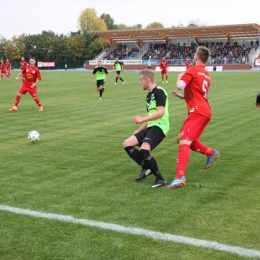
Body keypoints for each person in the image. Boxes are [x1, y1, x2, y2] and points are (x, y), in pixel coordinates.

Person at [167, 46, 220, 189]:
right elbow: (198, 94)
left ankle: (180, 176)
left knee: (184, 140)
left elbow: (180, 84)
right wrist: (183, 96)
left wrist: (180, 75)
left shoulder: (192, 70)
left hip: (198, 112)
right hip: (203, 110)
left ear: (196, 57)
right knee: (182, 139)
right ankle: (211, 153)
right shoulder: (206, 74)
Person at [122, 69, 169, 188]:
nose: (140, 83)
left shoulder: (160, 92)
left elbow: (160, 113)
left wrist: (142, 119)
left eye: (140, 80)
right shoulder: (149, 96)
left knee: (144, 150)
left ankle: (160, 178)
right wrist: (140, 130)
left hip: (160, 126)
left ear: (147, 80)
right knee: (127, 143)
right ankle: (146, 167)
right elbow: (150, 116)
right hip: (150, 126)